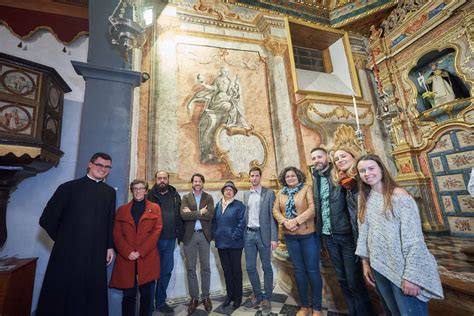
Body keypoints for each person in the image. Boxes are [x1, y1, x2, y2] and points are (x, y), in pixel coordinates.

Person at [355, 154, 443, 315]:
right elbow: (364, 234)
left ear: (381, 169)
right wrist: (365, 262)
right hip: (379, 266)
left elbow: (414, 240)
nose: (367, 173)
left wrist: (412, 276)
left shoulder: (399, 195)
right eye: (362, 171)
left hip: (403, 270)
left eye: (371, 168)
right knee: (392, 312)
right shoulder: (365, 199)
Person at [37, 152, 116, 316]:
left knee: (91, 297)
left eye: (107, 167)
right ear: (90, 164)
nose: (103, 169)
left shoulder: (109, 192)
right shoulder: (69, 188)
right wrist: (64, 241)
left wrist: (109, 246)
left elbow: (110, 221)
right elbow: (47, 219)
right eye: (99, 165)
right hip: (68, 254)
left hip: (96, 253)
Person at [311, 147, 374, 316]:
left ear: (327, 159)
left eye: (319, 156)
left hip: (345, 233)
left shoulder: (338, 174)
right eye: (313, 158)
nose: (316, 160)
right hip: (328, 235)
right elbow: (319, 205)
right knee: (342, 279)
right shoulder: (316, 177)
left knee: (354, 281)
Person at [272, 166, 322, 316]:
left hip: (308, 236)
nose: (290, 178)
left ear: (298, 176)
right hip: (291, 238)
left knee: (313, 271)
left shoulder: (306, 189)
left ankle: (317, 308)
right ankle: (305, 306)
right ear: (284, 179)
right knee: (299, 272)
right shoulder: (281, 193)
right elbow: (275, 210)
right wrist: (285, 222)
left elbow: (313, 208)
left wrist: (296, 221)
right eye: (287, 177)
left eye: (292, 176)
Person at [110, 179, 163, 316]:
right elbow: (116, 233)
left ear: (146, 191)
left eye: (141, 188)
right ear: (132, 191)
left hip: (147, 257)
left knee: (147, 295)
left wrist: (140, 251)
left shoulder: (155, 208)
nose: (138, 191)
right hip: (127, 258)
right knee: (128, 295)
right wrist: (128, 252)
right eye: (135, 188)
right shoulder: (122, 210)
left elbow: (156, 232)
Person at [242, 167, 277, 314]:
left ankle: (267, 298)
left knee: (266, 267)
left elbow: (273, 217)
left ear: (260, 177)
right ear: (249, 178)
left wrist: (274, 238)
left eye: (257, 176)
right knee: (250, 267)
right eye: (252, 176)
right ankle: (257, 294)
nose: (254, 178)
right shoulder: (246, 194)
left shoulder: (269, 193)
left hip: (264, 235)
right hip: (249, 235)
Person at [147, 170, 182, 313]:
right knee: (150, 272)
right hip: (152, 240)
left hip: (170, 239)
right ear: (155, 180)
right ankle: (148, 304)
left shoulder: (175, 194)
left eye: (164, 178)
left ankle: (160, 302)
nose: (162, 180)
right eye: (159, 178)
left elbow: (180, 214)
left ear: (168, 180)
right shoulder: (149, 195)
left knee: (166, 271)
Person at [180, 173, 215, 313]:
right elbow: (183, 215)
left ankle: (206, 297)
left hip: (204, 236)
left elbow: (211, 214)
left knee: (206, 267)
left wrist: (192, 213)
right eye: (195, 181)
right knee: (191, 269)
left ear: (203, 183)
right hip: (190, 237)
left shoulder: (209, 197)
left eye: (199, 181)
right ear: (192, 183)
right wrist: (200, 212)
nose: (197, 183)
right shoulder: (186, 197)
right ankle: (194, 298)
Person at [212, 181, 246, 309]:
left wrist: (234, 236)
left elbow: (242, 222)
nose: (228, 191)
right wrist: (215, 234)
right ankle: (229, 296)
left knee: (236, 271)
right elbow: (214, 221)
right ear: (223, 191)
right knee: (226, 271)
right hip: (221, 243)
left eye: (231, 189)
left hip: (235, 244)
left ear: (234, 192)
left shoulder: (239, 205)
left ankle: (238, 297)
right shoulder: (218, 205)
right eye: (226, 189)